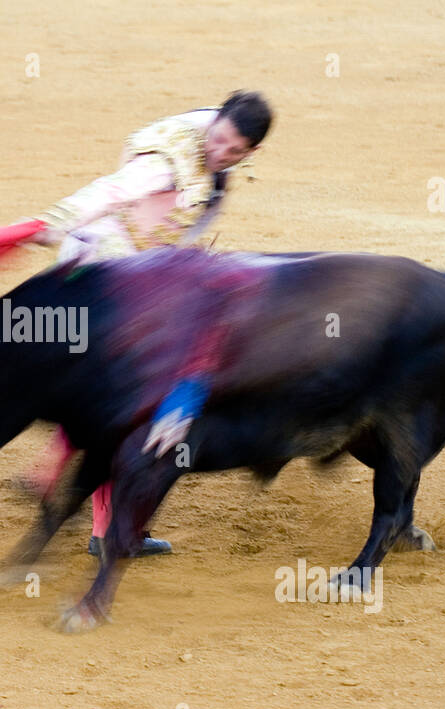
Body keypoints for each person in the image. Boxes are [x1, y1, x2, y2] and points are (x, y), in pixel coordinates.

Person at [19, 90, 274, 556]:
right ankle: (105, 531)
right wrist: (48, 222)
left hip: (114, 271)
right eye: (218, 141)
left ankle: (54, 478)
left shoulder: (209, 143)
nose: (220, 153)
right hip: (106, 277)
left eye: (233, 151)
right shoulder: (169, 158)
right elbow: (113, 191)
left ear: (251, 152)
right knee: (127, 401)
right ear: (213, 123)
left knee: (103, 396)